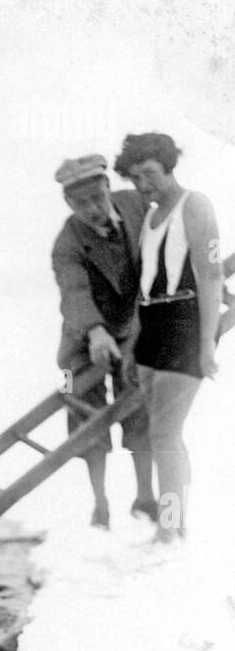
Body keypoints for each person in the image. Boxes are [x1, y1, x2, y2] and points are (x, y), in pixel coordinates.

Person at [114, 132, 224, 542]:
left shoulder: (195, 205)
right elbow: (146, 284)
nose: (144, 185)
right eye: (136, 177)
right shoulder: (150, 216)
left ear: (169, 166)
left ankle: (172, 526)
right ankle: (175, 519)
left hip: (183, 321)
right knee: (158, 432)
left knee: (165, 432)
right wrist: (132, 345)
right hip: (151, 326)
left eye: (151, 174)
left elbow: (211, 274)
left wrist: (207, 340)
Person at [52, 153, 156, 529]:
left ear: (109, 189)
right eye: (82, 204)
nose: (93, 209)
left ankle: (146, 497)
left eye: (97, 198)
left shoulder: (135, 204)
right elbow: (74, 292)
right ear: (69, 204)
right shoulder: (67, 244)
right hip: (84, 340)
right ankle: (101, 504)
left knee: (140, 411)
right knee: (88, 422)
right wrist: (95, 331)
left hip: (131, 330)